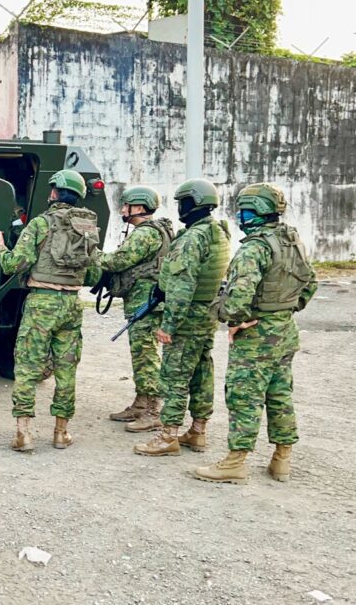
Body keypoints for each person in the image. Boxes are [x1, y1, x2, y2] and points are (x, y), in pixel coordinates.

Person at [193, 183, 317, 484]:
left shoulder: (255, 247)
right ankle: (281, 460)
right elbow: (310, 283)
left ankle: (235, 462)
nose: (241, 216)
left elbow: (236, 302)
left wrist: (233, 318)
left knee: (244, 397)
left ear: (259, 211)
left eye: (246, 210)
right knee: (280, 394)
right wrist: (283, 310)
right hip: (285, 330)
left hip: (257, 338)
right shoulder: (291, 240)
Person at [0, 169, 100, 452]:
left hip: (42, 302)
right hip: (73, 304)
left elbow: (15, 264)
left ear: (54, 193)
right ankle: (61, 432)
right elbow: (94, 274)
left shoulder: (42, 223)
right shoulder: (88, 227)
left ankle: (23, 434)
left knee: (27, 367)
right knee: (66, 369)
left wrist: (0, 248)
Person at [134, 178, 230, 457]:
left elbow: (181, 285)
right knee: (201, 371)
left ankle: (168, 436)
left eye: (183, 202)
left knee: (174, 376)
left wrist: (169, 325)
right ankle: (198, 430)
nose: (179, 207)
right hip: (206, 313)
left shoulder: (192, 238)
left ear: (194, 203)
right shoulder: (218, 231)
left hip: (187, 315)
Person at [100, 186, 174, 432]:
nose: (122, 210)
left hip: (146, 304)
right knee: (141, 355)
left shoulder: (145, 234)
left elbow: (120, 260)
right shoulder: (157, 231)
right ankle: (141, 403)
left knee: (146, 357)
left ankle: (154, 410)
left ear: (139, 207)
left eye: (126, 206)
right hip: (145, 303)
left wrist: (94, 257)